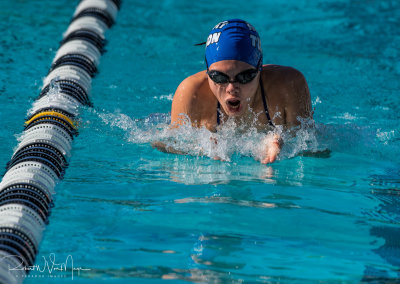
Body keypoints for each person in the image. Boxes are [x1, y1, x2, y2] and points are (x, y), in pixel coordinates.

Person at [156, 19, 312, 163]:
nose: (231, 88)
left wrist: (284, 145)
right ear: (207, 72)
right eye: (219, 77)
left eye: (244, 76)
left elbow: (316, 149)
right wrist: (201, 148)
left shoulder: (288, 86)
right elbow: (163, 145)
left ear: (259, 69)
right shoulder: (191, 93)